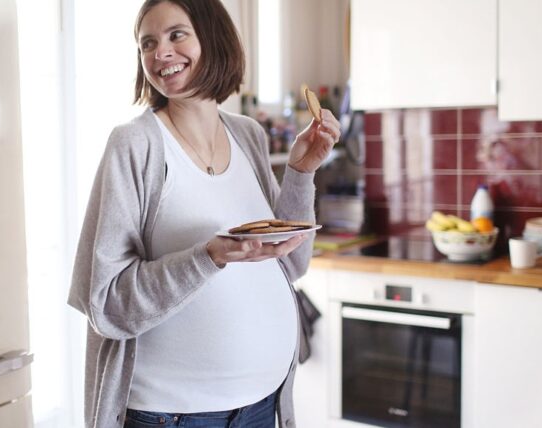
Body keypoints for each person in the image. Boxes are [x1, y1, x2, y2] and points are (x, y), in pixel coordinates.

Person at [67, 0, 341, 427]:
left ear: (213, 40)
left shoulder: (247, 134)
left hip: (262, 405)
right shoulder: (135, 145)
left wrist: (301, 171)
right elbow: (106, 303)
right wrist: (207, 257)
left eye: (177, 35)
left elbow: (291, 262)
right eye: (148, 43)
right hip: (173, 415)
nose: (161, 53)